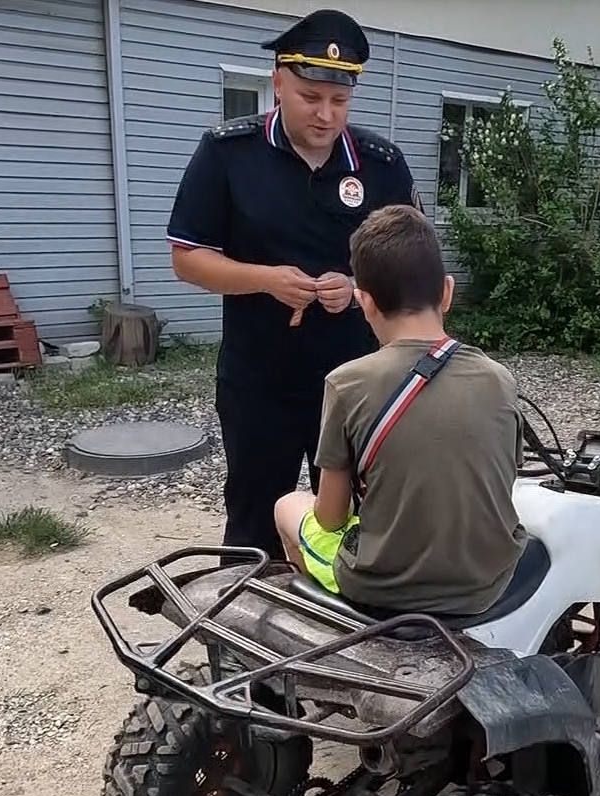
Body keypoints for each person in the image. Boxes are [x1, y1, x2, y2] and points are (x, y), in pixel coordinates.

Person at [164, 8, 419, 560]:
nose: (326, 115)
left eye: (340, 101)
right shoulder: (229, 154)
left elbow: (410, 262)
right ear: (278, 82)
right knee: (257, 519)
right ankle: (239, 640)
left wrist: (352, 285)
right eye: (310, 97)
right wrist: (265, 280)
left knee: (360, 522)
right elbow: (187, 258)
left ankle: (347, 637)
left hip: (358, 382)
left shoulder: (382, 166)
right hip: (261, 382)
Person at [274, 204, 528, 616]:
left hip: (384, 589)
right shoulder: (499, 378)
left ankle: (328, 621)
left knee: (287, 506)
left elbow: (332, 518)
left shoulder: (347, 382)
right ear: (446, 291)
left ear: (365, 302)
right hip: (487, 585)